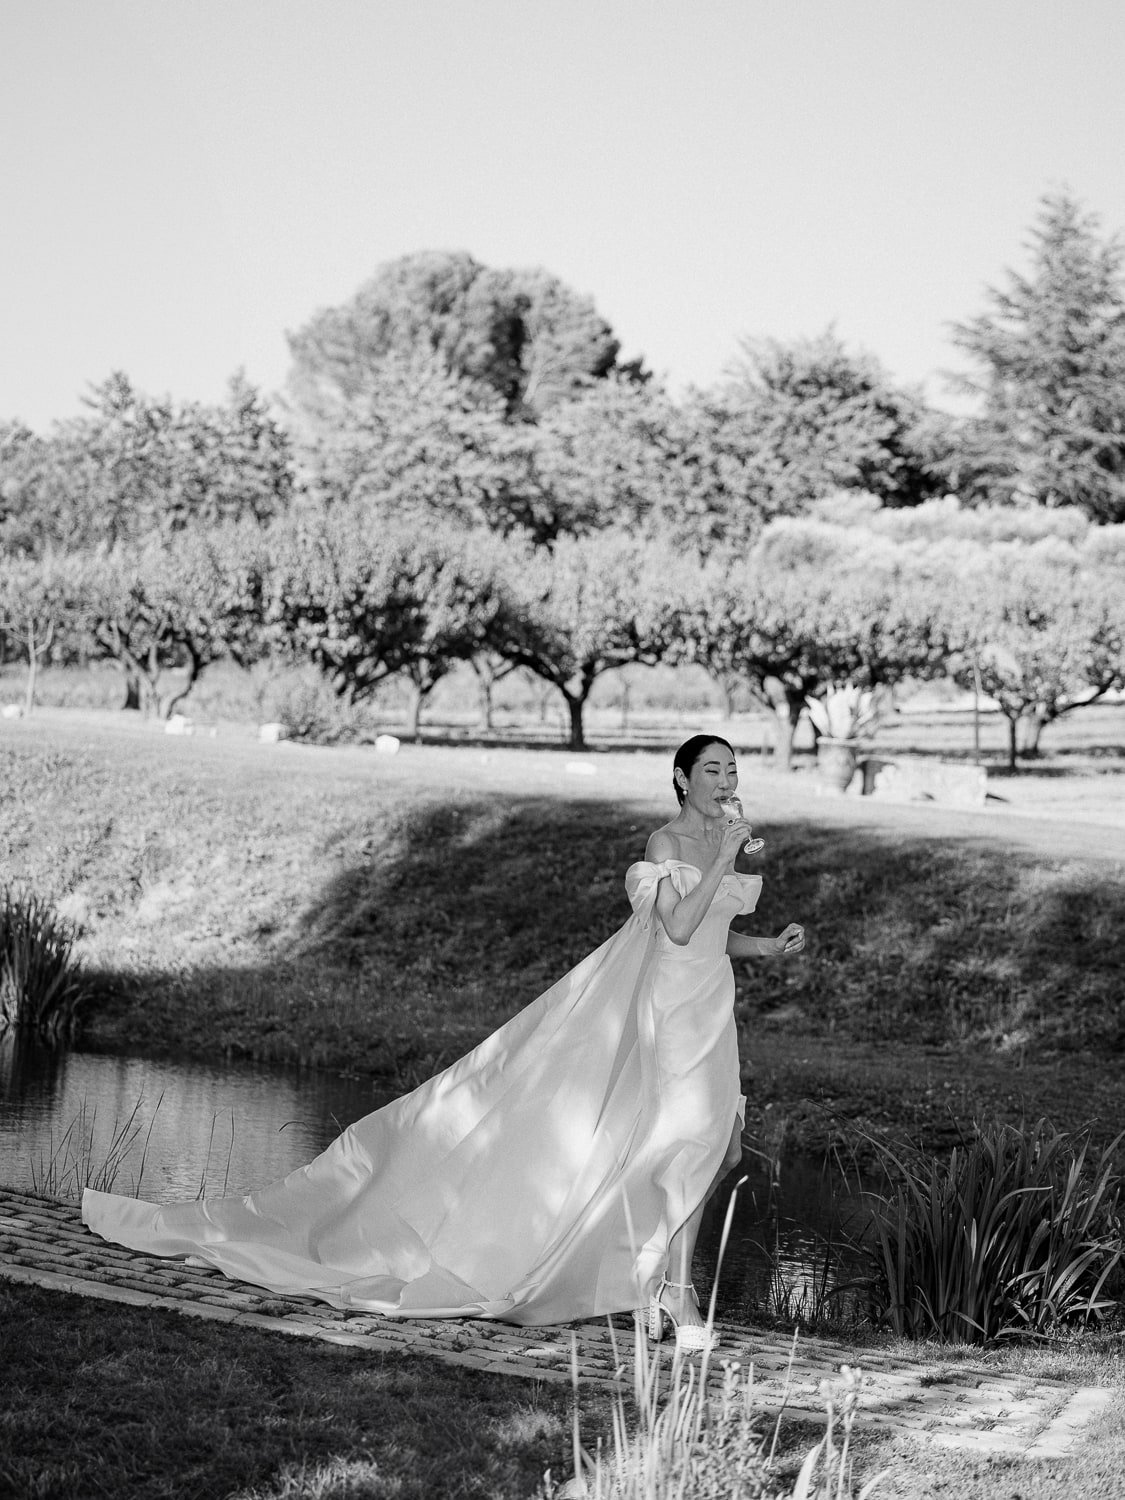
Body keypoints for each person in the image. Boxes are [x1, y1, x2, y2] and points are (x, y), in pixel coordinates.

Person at [82, 735, 804, 1354]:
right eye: (712, 769)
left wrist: (767, 945)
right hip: (667, 1014)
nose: (725, 780)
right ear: (681, 778)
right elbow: (674, 929)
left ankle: (657, 1287)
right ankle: (671, 1297)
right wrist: (724, 861)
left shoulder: (721, 845)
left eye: (731, 770)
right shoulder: (668, 844)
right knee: (692, 1147)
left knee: (719, 1150)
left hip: (711, 1006)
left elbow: (710, 937)